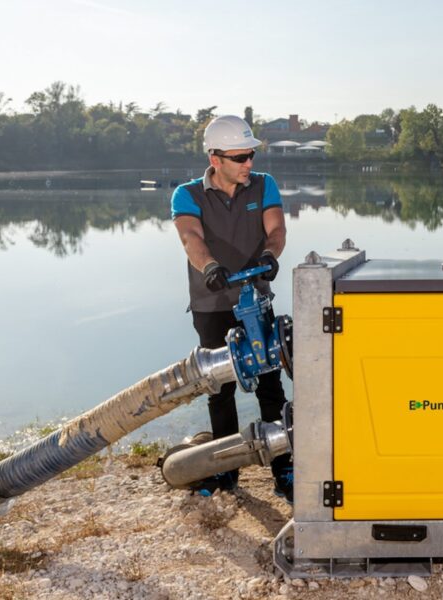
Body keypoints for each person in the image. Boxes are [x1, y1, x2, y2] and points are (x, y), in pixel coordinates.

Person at [170, 114, 293, 502]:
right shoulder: (187, 194)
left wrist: (271, 256)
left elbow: (276, 230)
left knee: (271, 384)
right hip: (211, 301)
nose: (249, 164)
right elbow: (191, 238)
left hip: (254, 299)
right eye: (240, 157)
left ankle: (284, 468)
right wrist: (210, 268)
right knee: (219, 390)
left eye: (251, 154)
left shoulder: (264, 185)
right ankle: (224, 468)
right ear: (216, 158)